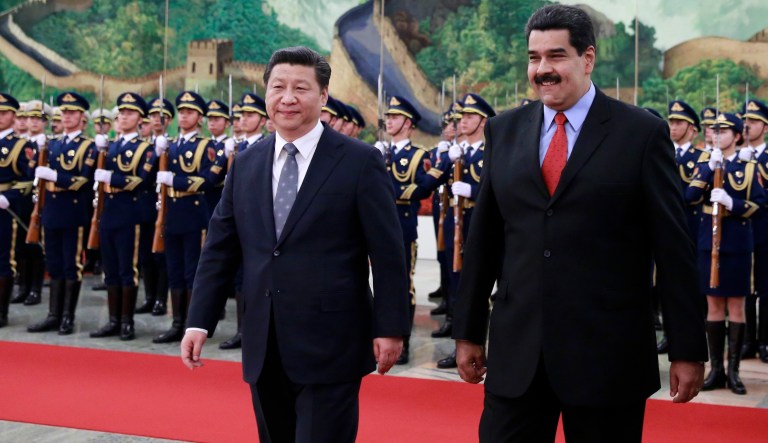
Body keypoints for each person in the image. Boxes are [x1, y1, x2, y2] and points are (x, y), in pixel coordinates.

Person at [451, 5, 707, 442]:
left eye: (556, 56)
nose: (542, 70)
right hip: (518, 356)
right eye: (534, 58)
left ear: (587, 59)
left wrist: (686, 349)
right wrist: (468, 331)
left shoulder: (641, 134)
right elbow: (485, 240)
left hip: (607, 357)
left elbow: (673, 247)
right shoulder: (504, 131)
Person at [180, 46, 410, 443]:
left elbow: (389, 254)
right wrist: (199, 319)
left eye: (300, 88)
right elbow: (221, 248)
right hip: (264, 343)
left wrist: (390, 328)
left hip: (332, 343)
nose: (287, 98)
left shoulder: (358, 162)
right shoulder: (247, 163)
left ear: (322, 96)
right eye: (278, 87)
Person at [686, 113, 765, 395]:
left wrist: (732, 202)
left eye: (723, 130)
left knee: (737, 306)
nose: (716, 134)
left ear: (736, 135)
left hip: (737, 243)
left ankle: (734, 371)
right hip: (710, 241)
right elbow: (689, 196)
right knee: (714, 305)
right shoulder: (705, 162)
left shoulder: (749, 166)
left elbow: (758, 204)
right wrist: (709, 169)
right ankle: (715, 369)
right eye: (714, 130)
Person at [28, 92, 97, 335]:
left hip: (73, 212)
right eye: (64, 112)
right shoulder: (52, 143)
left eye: (72, 112)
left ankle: (68, 316)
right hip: (52, 211)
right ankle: (53, 315)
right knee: (54, 265)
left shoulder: (89, 146)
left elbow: (81, 180)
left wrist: (54, 176)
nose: (66, 116)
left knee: (71, 265)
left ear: (81, 116)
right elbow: (34, 173)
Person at [152, 91, 216, 344]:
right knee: (174, 270)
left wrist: (174, 180)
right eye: (182, 111)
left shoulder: (205, 146)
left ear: (199, 117)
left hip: (194, 214)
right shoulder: (171, 145)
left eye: (190, 112)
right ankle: (176, 323)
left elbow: (207, 180)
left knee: (193, 272)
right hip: (173, 214)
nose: (184, 115)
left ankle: (192, 324)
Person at [89, 93, 154, 341]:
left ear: (140, 118)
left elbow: (140, 180)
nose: (123, 116)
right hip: (109, 213)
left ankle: (127, 322)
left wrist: (111, 178)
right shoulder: (110, 146)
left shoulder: (145, 149)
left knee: (128, 269)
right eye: (121, 113)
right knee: (111, 270)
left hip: (130, 213)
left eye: (129, 113)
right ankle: (113, 320)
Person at [373, 95, 432, 365]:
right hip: (374, 228)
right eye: (388, 117)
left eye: (395, 118)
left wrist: (386, 191)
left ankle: (403, 341)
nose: (389, 121)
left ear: (407, 123)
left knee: (402, 285)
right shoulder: (376, 153)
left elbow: (420, 188)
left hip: (402, 227)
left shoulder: (419, 156)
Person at [0, 92, 35, 327]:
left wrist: (7, 196)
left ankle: (1, 312)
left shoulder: (21, 145)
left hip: (3, 209)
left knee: (3, 261)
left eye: (3, 113)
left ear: (13, 116)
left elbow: (27, 180)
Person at [739, 99, 768, 362]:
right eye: (745, 121)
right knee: (746, 287)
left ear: (766, 127)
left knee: (766, 288)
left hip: (766, 230)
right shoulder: (736, 157)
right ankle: (748, 340)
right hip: (742, 231)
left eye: (755, 121)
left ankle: (764, 341)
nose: (748, 126)